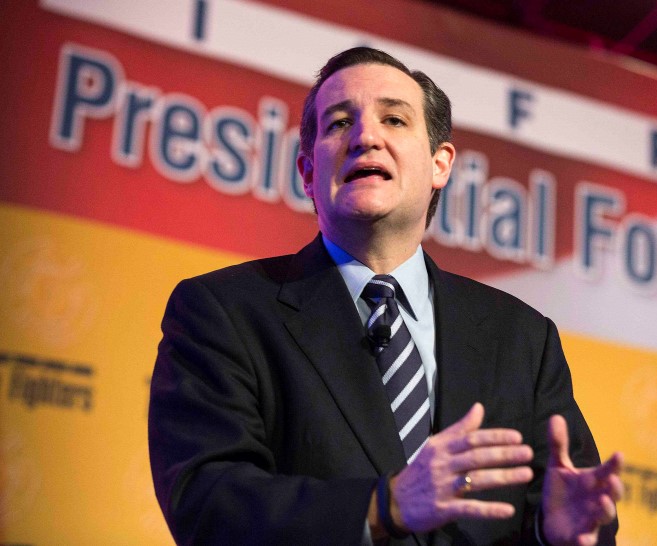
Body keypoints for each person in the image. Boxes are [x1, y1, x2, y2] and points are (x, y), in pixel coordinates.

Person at [149, 47, 623, 545]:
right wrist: (385, 505)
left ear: (440, 164)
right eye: (337, 124)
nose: (366, 137)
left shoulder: (523, 340)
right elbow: (207, 503)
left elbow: (579, 515)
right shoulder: (224, 312)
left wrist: (555, 533)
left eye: (394, 119)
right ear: (308, 173)